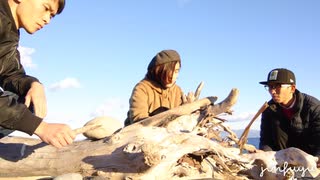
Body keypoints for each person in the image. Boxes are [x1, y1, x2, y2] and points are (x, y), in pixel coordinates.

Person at [0, 0, 75, 148]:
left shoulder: (9, 32)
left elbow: (10, 72)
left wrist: (33, 84)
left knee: (29, 101)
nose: (47, 20)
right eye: (46, 8)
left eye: (52, 16)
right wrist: (41, 127)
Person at [259, 68, 320, 167]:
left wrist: (315, 161)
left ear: (292, 88)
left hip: (310, 162)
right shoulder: (268, 109)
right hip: (283, 163)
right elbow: (266, 140)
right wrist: (265, 157)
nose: (272, 91)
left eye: (278, 86)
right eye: (270, 86)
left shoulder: (314, 106)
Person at [124, 49, 194, 126]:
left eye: (176, 71)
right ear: (158, 71)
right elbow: (138, 122)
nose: (173, 76)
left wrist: (187, 109)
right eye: (169, 72)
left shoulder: (177, 91)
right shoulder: (142, 89)